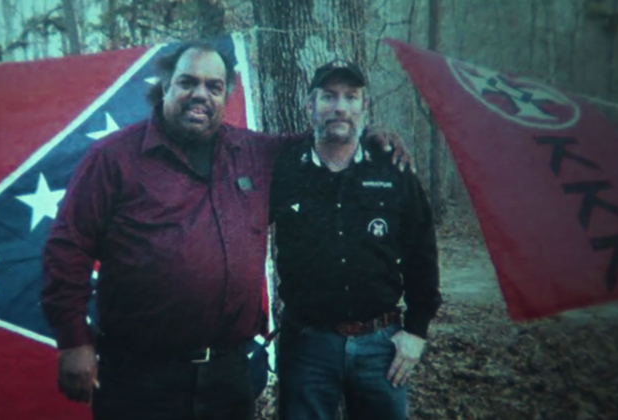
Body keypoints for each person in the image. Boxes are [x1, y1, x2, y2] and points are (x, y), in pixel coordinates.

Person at [40, 42, 412, 420]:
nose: (200, 94)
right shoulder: (113, 158)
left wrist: (367, 133)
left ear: (226, 95)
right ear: (165, 85)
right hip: (139, 375)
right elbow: (67, 248)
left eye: (214, 86)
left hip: (227, 375)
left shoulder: (253, 153)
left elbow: (322, 141)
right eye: (188, 82)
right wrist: (73, 341)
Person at [269, 60, 442, 420]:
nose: (340, 107)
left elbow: (421, 250)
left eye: (351, 97)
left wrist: (416, 331)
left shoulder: (392, 168)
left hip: (382, 345)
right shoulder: (284, 170)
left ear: (365, 107)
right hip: (307, 346)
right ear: (309, 105)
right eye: (328, 96)